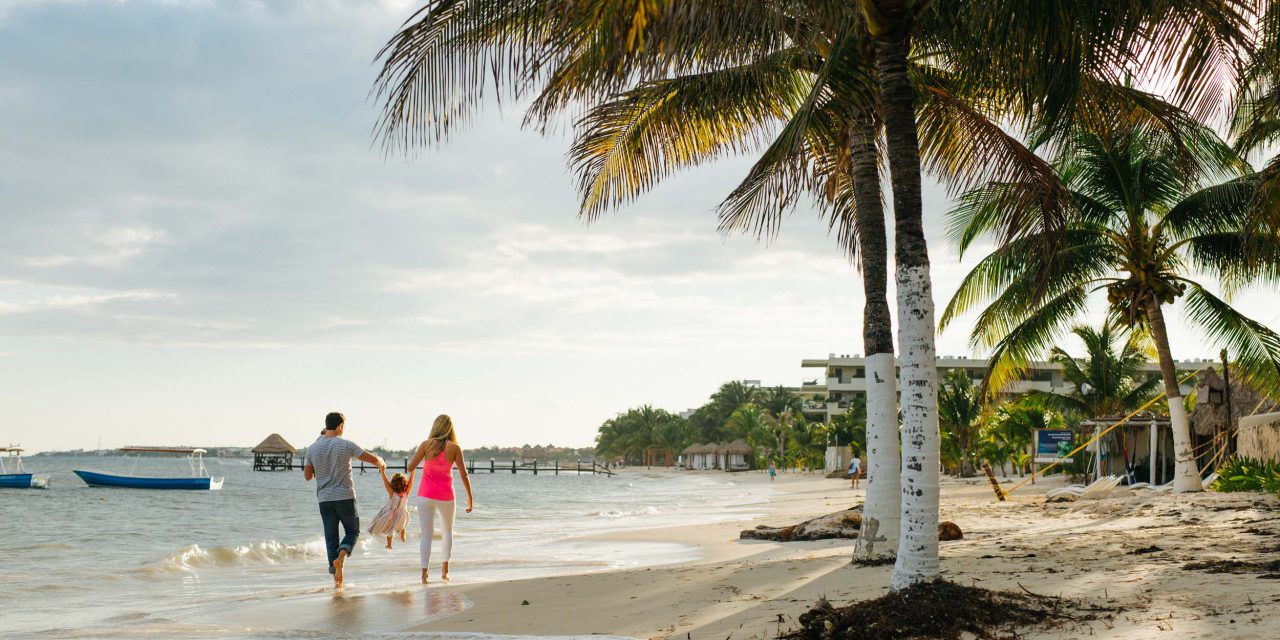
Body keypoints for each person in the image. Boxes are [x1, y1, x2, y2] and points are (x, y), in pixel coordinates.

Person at [304, 412, 385, 588]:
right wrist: (381, 462)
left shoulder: (312, 448)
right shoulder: (345, 444)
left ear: (326, 426)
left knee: (331, 539)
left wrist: (321, 469)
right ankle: (340, 558)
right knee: (352, 531)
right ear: (340, 426)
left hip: (324, 500)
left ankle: (336, 580)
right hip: (345, 497)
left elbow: (308, 476)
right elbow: (371, 458)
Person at [406, 414, 475, 584]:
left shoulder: (425, 445)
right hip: (446, 495)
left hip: (425, 494)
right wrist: (469, 497)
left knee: (426, 535)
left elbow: (410, 467)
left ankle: (424, 574)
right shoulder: (454, 448)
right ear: (450, 428)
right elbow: (464, 474)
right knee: (447, 531)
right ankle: (445, 572)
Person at [369, 469, 414, 549]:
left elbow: (386, 482)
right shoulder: (406, 493)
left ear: (393, 484)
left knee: (390, 529)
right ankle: (403, 536)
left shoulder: (392, 493)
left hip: (392, 515)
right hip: (402, 515)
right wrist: (413, 471)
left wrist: (382, 471)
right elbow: (411, 482)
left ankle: (389, 544)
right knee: (402, 526)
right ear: (405, 484)